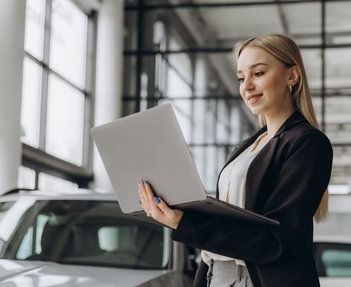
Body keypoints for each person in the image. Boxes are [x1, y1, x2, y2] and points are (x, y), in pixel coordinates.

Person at [138, 33, 333, 287]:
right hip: (216, 275)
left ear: (292, 76)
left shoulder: (307, 143)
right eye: (241, 77)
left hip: (257, 280)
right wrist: (179, 212)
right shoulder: (247, 148)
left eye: (258, 73)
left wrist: (184, 224)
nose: (246, 86)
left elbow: (276, 239)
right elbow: (227, 224)